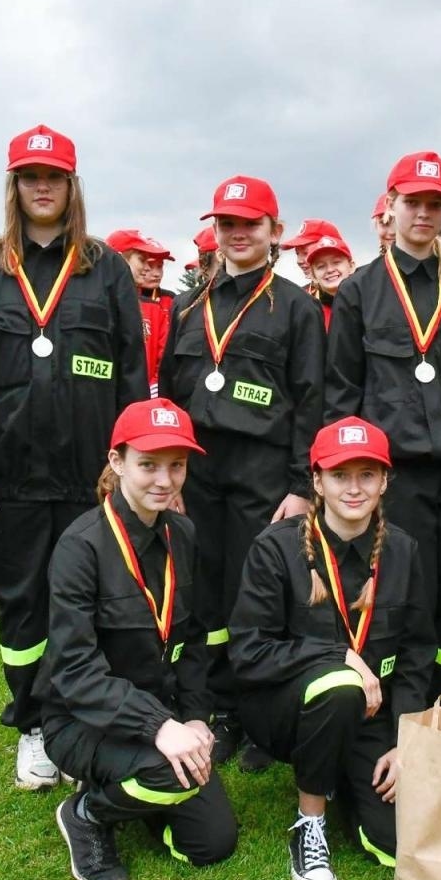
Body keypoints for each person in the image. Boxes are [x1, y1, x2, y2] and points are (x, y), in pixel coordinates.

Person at [0, 125, 149, 790]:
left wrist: (128, 469)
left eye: (54, 176)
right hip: (8, 479)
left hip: (90, 478)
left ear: (71, 186)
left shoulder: (106, 267)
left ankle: (84, 717)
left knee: (96, 601)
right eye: (30, 176)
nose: (42, 187)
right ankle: (33, 723)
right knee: (23, 606)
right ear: (15, 186)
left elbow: (130, 377)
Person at [158, 175, 325, 769]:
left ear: (274, 232)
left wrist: (302, 489)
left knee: (254, 599)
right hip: (197, 472)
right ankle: (212, 709)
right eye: (227, 223)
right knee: (200, 595)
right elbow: (174, 399)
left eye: (249, 224)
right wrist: (168, 477)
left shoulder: (297, 308)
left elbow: (311, 401)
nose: (237, 234)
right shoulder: (188, 305)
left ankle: (260, 716)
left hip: (263, 473)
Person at [230, 416, 434, 880]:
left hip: (372, 719)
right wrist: (339, 656)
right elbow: (248, 652)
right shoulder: (276, 549)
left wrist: (406, 745)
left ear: (385, 481)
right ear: (317, 481)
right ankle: (310, 821)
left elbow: (416, 655)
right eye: (340, 475)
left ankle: (344, 777)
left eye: (367, 475)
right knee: (338, 685)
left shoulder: (403, 551)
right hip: (287, 712)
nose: (354, 488)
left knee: (396, 843)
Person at [40, 398, 237, 880]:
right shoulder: (79, 546)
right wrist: (159, 727)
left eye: (176, 466)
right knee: (171, 775)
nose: (164, 481)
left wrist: (193, 716)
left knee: (211, 844)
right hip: (82, 720)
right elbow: (75, 671)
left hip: (161, 714)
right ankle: (87, 811)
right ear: (116, 462)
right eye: (148, 465)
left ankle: (136, 784)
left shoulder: (183, 534)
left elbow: (192, 643)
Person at [328, 151, 441, 694]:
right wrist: (347, 476)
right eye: (413, 202)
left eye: (435, 204)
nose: (423, 213)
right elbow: (342, 392)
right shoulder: (360, 291)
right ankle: (398, 700)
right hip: (395, 474)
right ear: (391, 207)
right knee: (399, 589)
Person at [107, 229, 174, 397]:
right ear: (120, 258)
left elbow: (162, 359)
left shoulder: (155, 308)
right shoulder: (93, 300)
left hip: (139, 398)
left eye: (159, 265)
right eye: (142, 260)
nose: (148, 269)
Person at [307, 232, 356, 329]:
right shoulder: (308, 314)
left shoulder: (369, 303)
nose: (330, 270)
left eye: (336, 262)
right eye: (321, 266)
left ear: (351, 266)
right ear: (313, 276)